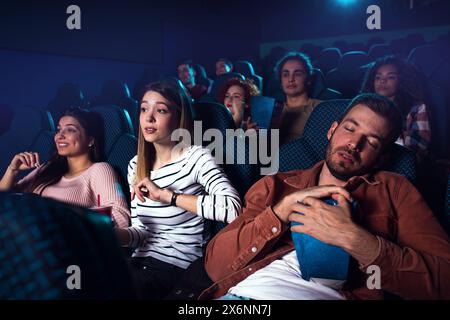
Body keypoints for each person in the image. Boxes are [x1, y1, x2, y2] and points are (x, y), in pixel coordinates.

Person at [201, 93, 450, 300]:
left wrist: (354, 239)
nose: (354, 143)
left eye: (372, 142)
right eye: (349, 129)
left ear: (383, 157)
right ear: (332, 130)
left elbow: (444, 281)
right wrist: (278, 214)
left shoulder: (395, 190)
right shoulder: (275, 185)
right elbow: (216, 267)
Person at [115, 79, 241, 299]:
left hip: (176, 268)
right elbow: (141, 232)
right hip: (137, 264)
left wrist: (168, 196)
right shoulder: (136, 165)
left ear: (178, 117)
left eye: (161, 110)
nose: (149, 117)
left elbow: (233, 209)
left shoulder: (195, 157)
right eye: (144, 109)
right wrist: (115, 236)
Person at [0, 107, 130, 228]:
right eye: (58, 130)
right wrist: (12, 170)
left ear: (90, 140)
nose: (59, 136)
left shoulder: (99, 170)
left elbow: (121, 217)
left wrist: (61, 216)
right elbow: (4, 201)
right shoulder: (47, 168)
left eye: (70, 130)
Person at [361, 55, 431, 160]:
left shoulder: (417, 108)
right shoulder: (363, 106)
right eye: (378, 77)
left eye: (390, 77)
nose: (382, 81)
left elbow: (417, 148)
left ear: (401, 82)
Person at [271, 52, 322, 145]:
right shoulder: (271, 110)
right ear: (280, 81)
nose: (291, 79)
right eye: (285, 74)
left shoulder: (320, 109)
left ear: (309, 79)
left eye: (298, 74)